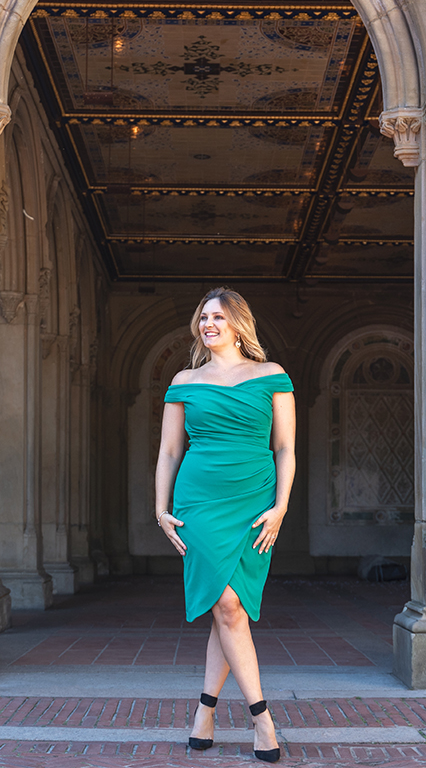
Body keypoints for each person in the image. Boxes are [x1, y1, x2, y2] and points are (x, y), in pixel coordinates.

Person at [154, 287, 295, 762]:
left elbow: (285, 449)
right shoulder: (184, 380)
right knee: (227, 605)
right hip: (199, 503)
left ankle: (205, 711)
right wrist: (161, 508)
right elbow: (170, 451)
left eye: (217, 316)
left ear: (238, 323)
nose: (207, 324)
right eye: (203, 318)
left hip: (255, 499)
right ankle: (262, 719)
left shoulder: (271, 375)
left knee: (228, 607)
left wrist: (281, 507)